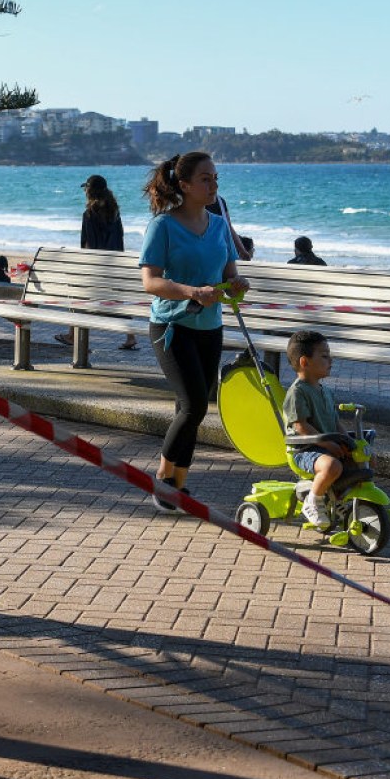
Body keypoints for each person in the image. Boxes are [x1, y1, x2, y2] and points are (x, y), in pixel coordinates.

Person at [139, 152, 249, 511]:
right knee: (194, 406)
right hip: (172, 326)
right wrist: (192, 292)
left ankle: (178, 486)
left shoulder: (217, 224)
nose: (213, 184)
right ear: (184, 185)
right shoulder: (163, 226)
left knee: (188, 407)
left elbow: (230, 273)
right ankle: (162, 480)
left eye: (216, 178)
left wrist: (236, 284)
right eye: (205, 179)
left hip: (210, 327)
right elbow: (150, 282)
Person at [58, 174, 137, 349]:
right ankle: (131, 336)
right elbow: (120, 238)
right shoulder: (115, 213)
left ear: (90, 192)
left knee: (77, 294)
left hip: (95, 266)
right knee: (117, 300)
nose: (85, 191)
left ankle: (72, 335)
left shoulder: (89, 214)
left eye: (86, 188)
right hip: (115, 264)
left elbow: (88, 243)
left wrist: (84, 264)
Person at [281, 330, 349, 530]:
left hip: (326, 446)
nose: (331, 360)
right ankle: (313, 501)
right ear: (305, 362)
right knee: (332, 467)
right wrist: (328, 443)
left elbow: (336, 422)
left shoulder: (326, 391)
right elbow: (301, 426)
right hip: (304, 450)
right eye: (325, 356)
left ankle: (342, 500)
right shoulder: (297, 392)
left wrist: (347, 442)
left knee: (364, 458)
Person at [207, 193, 252, 260]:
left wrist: (242, 250)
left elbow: (228, 228)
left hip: (222, 254)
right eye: (205, 181)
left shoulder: (220, 201)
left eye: (215, 181)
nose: (215, 186)